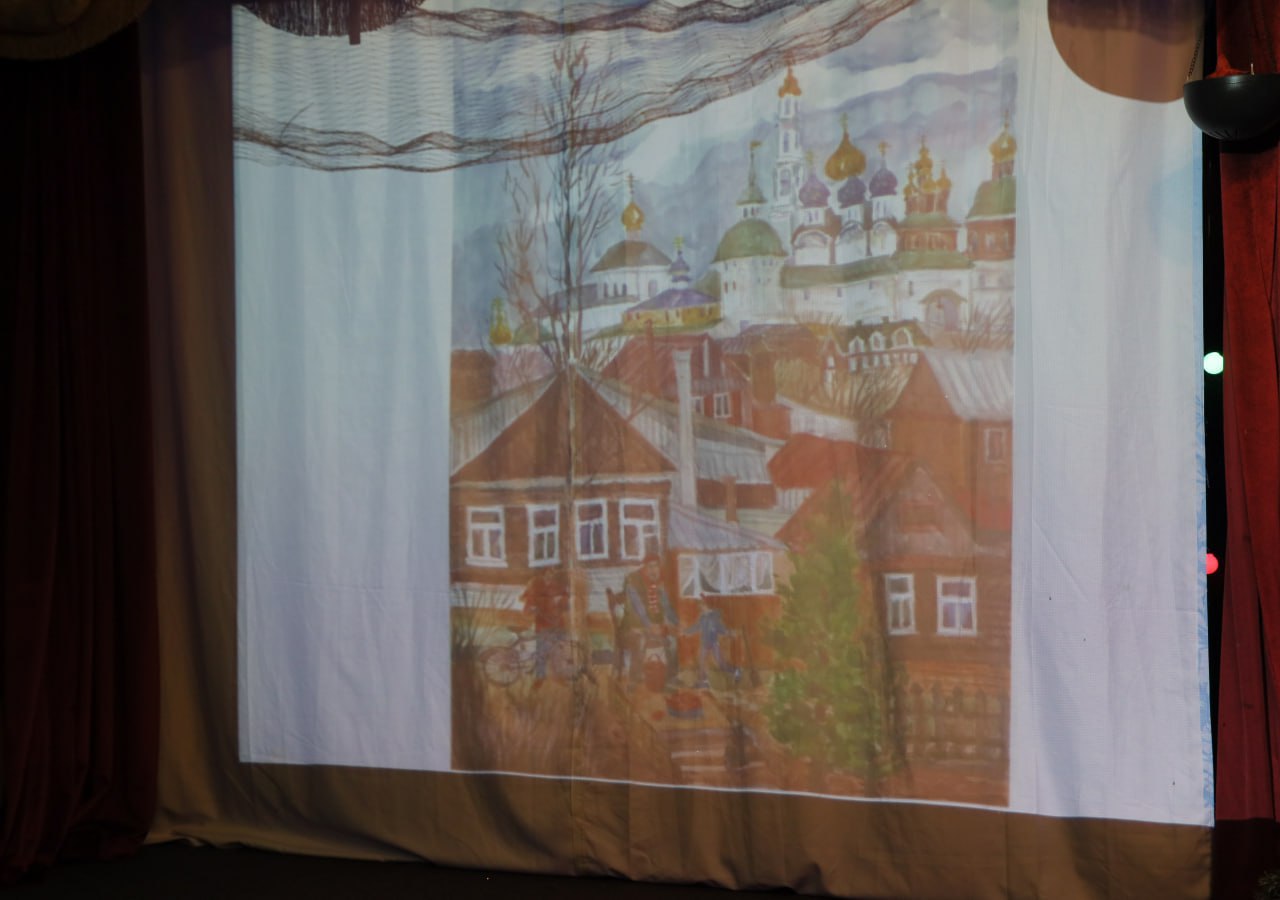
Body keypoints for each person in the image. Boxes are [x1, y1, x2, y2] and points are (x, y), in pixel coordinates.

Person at [620, 554, 678, 687]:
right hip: (633, 624)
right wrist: (649, 626)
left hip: (654, 625)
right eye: (650, 567)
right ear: (644, 568)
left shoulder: (659, 583)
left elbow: (667, 607)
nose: (653, 570)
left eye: (656, 566)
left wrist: (677, 623)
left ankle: (670, 677)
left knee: (674, 639)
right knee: (639, 639)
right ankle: (634, 679)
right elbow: (638, 608)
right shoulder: (633, 581)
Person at [521, 568, 569, 680]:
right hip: (543, 626)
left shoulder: (559, 587)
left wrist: (561, 602)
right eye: (547, 573)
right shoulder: (535, 585)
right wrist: (533, 609)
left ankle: (559, 676)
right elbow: (526, 610)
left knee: (560, 651)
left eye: (552, 573)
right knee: (541, 652)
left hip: (558, 625)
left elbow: (567, 604)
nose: (550, 576)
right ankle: (540, 677)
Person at [684, 600, 741, 689]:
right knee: (701, 662)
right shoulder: (702, 617)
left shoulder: (714, 617)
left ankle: (736, 671)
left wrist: (730, 633)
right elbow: (697, 626)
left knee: (721, 664)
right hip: (704, 643)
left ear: (706, 605)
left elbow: (721, 629)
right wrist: (687, 632)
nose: (700, 608)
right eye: (700, 606)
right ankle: (704, 682)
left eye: (702, 606)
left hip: (714, 643)